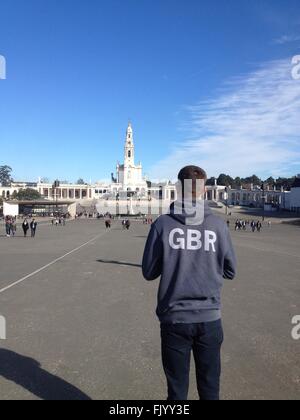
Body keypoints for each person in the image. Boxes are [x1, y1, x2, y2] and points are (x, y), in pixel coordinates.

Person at [142, 166, 237, 401]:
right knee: (210, 390)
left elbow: (149, 272)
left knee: (177, 393)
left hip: (175, 319)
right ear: (204, 190)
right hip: (209, 318)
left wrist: (175, 260)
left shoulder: (162, 225)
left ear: (177, 188)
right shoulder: (218, 225)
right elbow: (230, 271)